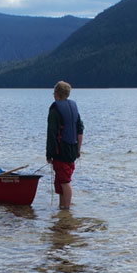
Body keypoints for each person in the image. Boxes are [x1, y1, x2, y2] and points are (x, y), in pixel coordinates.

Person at [46, 80, 83, 210]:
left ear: (56, 94)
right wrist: (78, 150)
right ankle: (62, 208)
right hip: (72, 150)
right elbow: (80, 130)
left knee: (65, 181)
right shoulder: (74, 109)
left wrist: (49, 154)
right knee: (62, 180)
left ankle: (66, 211)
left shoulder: (55, 110)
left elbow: (51, 134)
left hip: (60, 151)